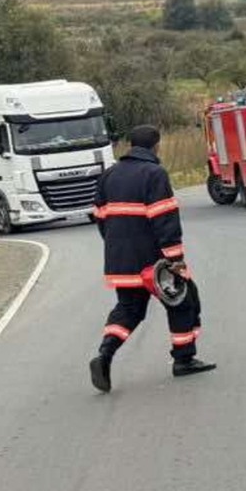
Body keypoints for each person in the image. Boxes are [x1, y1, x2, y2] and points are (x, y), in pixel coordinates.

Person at [90, 125, 213, 392]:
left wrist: (116, 246)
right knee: (183, 302)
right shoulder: (154, 174)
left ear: (130, 145)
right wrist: (175, 259)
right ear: (156, 145)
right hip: (154, 263)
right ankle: (184, 359)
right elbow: (164, 217)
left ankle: (104, 354)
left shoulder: (109, 175)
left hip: (120, 261)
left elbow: (99, 216)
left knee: (129, 309)